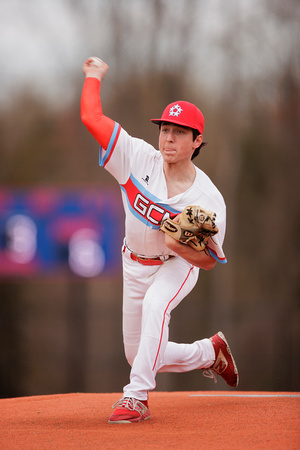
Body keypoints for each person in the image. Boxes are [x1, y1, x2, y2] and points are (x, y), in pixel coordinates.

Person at [81, 57, 239, 424]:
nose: (168, 138)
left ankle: (136, 397)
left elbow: (209, 261)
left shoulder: (209, 200)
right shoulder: (136, 157)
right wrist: (93, 75)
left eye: (180, 132)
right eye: (165, 129)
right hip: (132, 262)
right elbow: (92, 118)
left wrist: (181, 246)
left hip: (175, 265)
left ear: (197, 140)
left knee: (156, 307)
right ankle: (208, 352)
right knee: (137, 353)